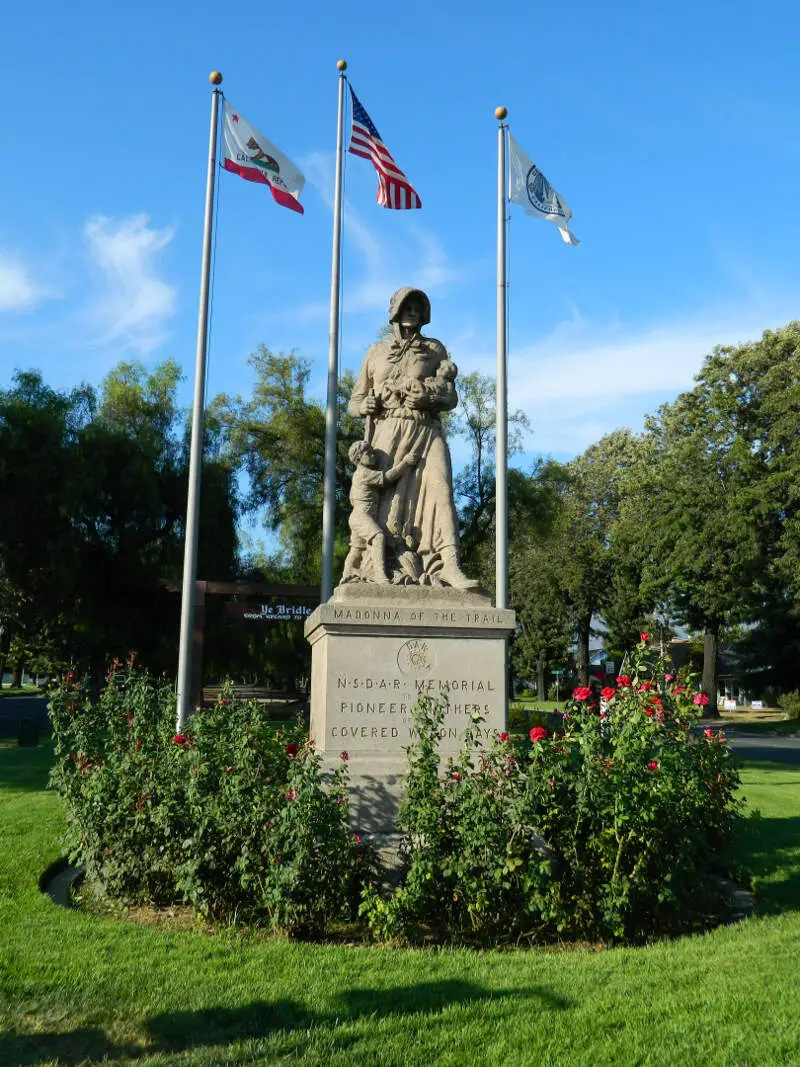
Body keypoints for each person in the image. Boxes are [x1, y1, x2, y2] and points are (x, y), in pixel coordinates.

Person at [346, 287, 478, 589]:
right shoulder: (375, 352)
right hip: (387, 434)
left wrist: (428, 400)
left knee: (442, 490)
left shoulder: (435, 350)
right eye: (407, 306)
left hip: (426, 429)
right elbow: (355, 401)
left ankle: (450, 565)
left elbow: (451, 398)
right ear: (395, 311)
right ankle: (385, 566)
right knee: (388, 507)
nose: (413, 312)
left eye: (418, 307)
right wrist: (362, 405)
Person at [342, 441, 419, 584]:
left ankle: (346, 575)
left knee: (357, 549)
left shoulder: (358, 475)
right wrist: (406, 462)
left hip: (359, 516)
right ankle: (379, 575)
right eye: (368, 453)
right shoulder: (363, 473)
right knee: (378, 537)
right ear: (358, 457)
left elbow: (352, 498)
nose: (373, 456)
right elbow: (387, 477)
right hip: (361, 515)